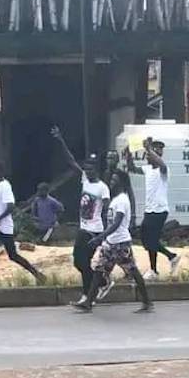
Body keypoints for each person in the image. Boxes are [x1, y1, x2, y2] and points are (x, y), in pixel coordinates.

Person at [72, 171, 153, 313]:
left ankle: (147, 302)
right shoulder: (115, 199)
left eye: (115, 180)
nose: (111, 182)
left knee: (133, 271)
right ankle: (88, 303)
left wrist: (99, 237)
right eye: (112, 179)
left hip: (121, 244)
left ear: (122, 183)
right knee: (98, 271)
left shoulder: (122, 200)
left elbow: (116, 223)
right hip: (111, 243)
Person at [52, 126, 112, 303]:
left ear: (97, 170)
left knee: (84, 262)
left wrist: (105, 234)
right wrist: (60, 139)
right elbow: (71, 161)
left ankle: (88, 295)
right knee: (78, 262)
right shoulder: (85, 179)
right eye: (86, 169)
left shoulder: (102, 188)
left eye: (91, 169)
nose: (88, 172)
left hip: (94, 230)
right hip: (83, 228)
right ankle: (101, 282)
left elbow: (107, 211)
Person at [0, 162, 46, 288]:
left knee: (13, 255)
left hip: (4, 227)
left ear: (0, 172)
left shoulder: (5, 186)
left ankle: (38, 274)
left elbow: (10, 207)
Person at [126, 139, 181, 280]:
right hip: (149, 210)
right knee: (147, 239)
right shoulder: (147, 169)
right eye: (149, 153)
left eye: (152, 153)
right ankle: (168, 259)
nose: (148, 156)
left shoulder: (164, 170)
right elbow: (132, 168)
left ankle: (156, 269)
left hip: (159, 211)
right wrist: (128, 155)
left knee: (150, 240)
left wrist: (149, 148)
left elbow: (161, 164)